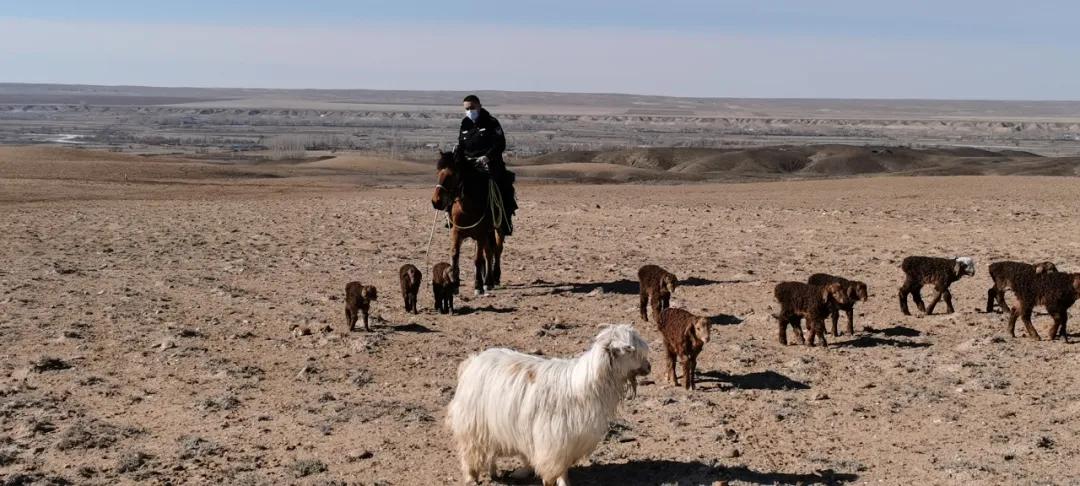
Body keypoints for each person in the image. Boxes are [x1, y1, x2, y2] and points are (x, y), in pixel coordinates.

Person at [452, 94, 517, 235]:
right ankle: (451, 217)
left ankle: (505, 221)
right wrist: (457, 152)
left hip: (490, 165)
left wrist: (487, 157)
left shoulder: (491, 122)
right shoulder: (465, 123)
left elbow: (500, 144)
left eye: (472, 108)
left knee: (504, 187)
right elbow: (462, 144)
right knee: (452, 183)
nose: (469, 111)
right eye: (466, 108)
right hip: (469, 164)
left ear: (479, 106)